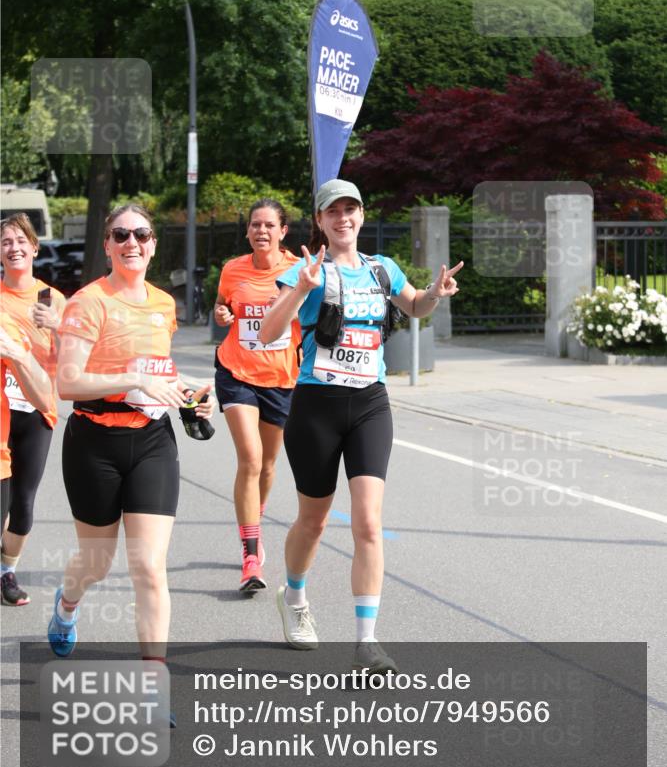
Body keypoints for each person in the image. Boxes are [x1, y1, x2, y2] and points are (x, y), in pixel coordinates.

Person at [260, 179, 463, 673]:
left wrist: (435, 294)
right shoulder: (305, 270)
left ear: (362, 216)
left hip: (370, 403)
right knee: (313, 520)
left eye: (350, 209)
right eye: (333, 211)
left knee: (368, 522)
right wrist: (302, 289)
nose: (343, 218)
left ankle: (366, 643)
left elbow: (414, 307)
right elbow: (267, 333)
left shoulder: (382, 268)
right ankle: (294, 595)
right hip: (316, 406)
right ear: (320, 220)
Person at [47, 204, 214, 663]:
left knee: (149, 566)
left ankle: (153, 681)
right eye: (120, 235)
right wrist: (133, 380)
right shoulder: (88, 302)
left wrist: (189, 395)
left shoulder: (163, 304)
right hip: (94, 442)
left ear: (153, 245)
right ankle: (67, 604)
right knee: (96, 563)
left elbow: (159, 372)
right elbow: (68, 383)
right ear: (107, 245)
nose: (131, 243)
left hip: (152, 440)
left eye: (141, 234)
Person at [213, 199, 301, 592]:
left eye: (268, 225)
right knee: (249, 459)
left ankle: (255, 519)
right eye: (255, 225)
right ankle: (250, 558)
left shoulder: (299, 270)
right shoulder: (233, 269)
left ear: (283, 231)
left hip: (281, 378)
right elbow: (222, 306)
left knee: (267, 466)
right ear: (248, 231)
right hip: (237, 372)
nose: (261, 231)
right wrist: (222, 314)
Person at [0, 214, 65, 606]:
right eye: (7, 242)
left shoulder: (51, 299)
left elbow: (74, 359)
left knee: (23, 504)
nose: (14, 248)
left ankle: (7, 569)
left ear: (35, 248)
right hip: (1, 410)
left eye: (21, 241)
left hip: (36, 410)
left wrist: (58, 326)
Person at [1, 316, 53, 545]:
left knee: (22, 502)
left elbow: (44, 398)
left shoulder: (3, 325)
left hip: (28, 418)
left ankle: (7, 564)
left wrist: (18, 355)